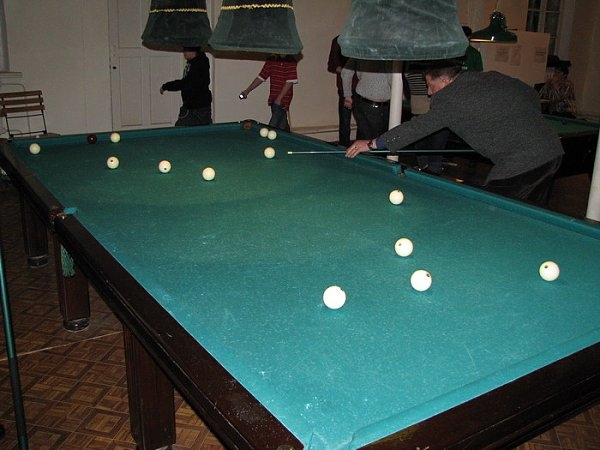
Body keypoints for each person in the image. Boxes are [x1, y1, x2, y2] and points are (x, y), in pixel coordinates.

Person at [346, 62, 564, 205]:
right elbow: (529, 93)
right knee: (529, 211)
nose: (429, 92)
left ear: (445, 81)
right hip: (552, 151)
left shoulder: (449, 97)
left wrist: (373, 144)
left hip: (522, 161)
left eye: (430, 85)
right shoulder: (486, 77)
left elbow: (417, 127)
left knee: (491, 209)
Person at [404, 64, 449, 174]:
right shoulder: (410, 70)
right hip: (420, 114)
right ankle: (425, 172)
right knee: (424, 150)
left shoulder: (431, 73)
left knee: (434, 151)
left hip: (434, 115)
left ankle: (432, 172)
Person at [240, 55, 298, 131]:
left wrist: (279, 99)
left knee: (272, 127)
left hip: (282, 100)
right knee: (282, 126)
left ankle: (267, 136)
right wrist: (247, 90)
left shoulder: (290, 62)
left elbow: (289, 82)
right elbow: (261, 77)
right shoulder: (271, 61)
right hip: (274, 99)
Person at [341, 58, 393, 140]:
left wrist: (347, 96)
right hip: (378, 104)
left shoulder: (359, 52)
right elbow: (393, 79)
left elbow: (345, 72)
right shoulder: (386, 54)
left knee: (363, 137)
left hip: (360, 100)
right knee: (378, 141)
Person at [160, 47, 212, 126]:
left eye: (186, 50)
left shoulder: (199, 64)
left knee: (181, 129)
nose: (184, 53)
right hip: (195, 106)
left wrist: (167, 86)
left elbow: (186, 83)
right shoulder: (194, 63)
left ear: (193, 51)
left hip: (196, 108)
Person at [327, 35, 357, 147]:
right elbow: (331, 65)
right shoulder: (338, 40)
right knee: (345, 121)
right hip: (344, 87)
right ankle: (344, 149)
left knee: (364, 122)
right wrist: (345, 71)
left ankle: (362, 149)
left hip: (361, 88)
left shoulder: (361, 40)